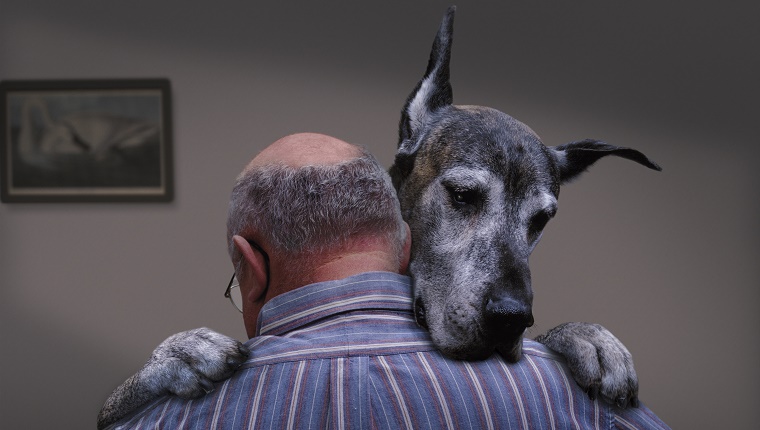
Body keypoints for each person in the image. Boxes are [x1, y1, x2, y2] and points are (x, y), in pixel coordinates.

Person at [107, 133, 669, 429]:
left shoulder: (175, 414)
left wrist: (141, 393)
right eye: (464, 198)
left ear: (247, 268)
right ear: (406, 242)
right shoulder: (572, 400)